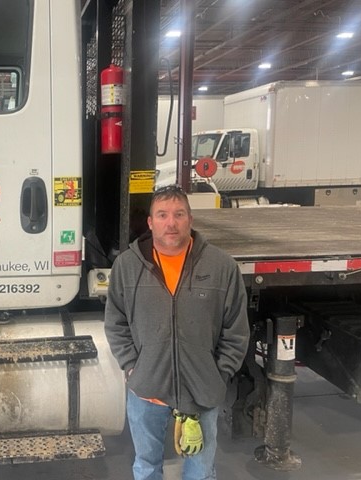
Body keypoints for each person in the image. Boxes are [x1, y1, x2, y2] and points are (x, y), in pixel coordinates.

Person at [104, 184, 250, 480]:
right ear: (150, 222)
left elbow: (236, 328)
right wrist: (132, 366)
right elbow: (115, 322)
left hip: (202, 389)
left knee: (202, 470)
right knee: (146, 466)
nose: (171, 223)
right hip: (147, 390)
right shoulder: (127, 266)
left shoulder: (221, 266)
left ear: (190, 219)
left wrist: (219, 373)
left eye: (178, 214)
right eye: (162, 215)